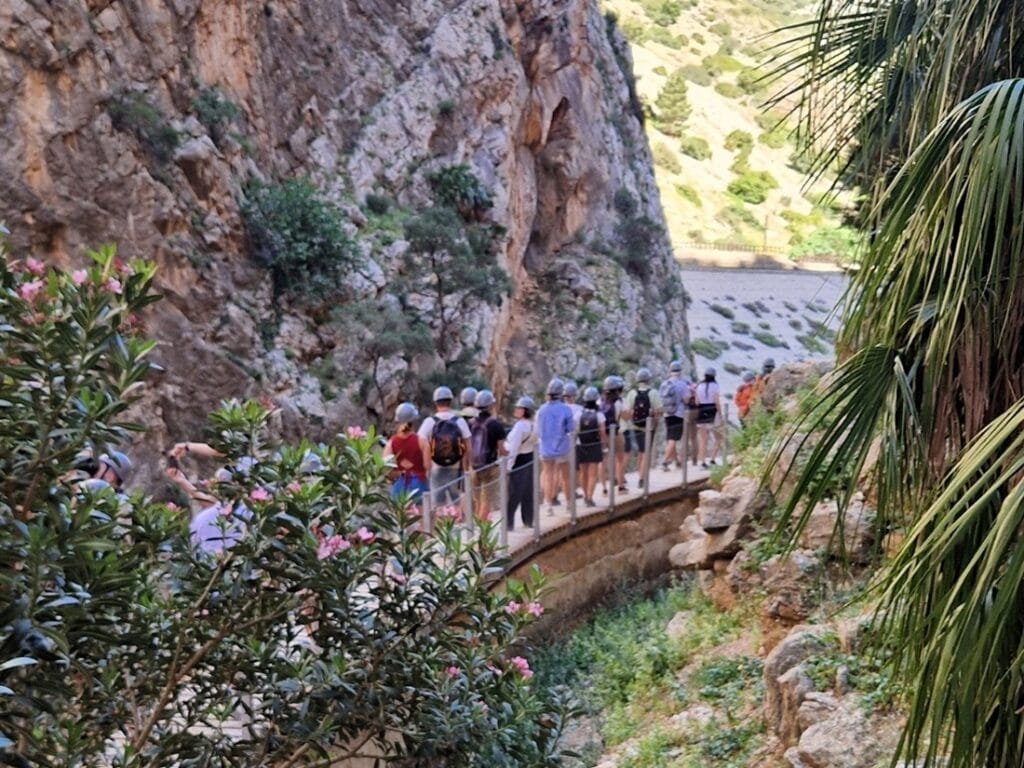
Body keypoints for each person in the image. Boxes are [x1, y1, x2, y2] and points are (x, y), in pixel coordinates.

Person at [418, 386, 472, 507]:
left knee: (438, 505)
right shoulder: (460, 421)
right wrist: (466, 468)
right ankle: (458, 525)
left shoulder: (429, 422)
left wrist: (427, 465)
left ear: (435, 403)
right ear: (450, 401)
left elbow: (421, 443)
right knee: (457, 504)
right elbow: (468, 447)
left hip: (436, 468)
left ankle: (440, 525)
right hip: (456, 468)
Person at [536, 378, 574, 513]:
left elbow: (538, 431)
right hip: (562, 446)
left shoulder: (541, 410)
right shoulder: (566, 409)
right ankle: (569, 503)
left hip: (546, 448)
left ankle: (548, 505)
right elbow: (571, 429)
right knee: (565, 476)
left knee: (548, 474)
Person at [621, 367, 662, 489]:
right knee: (645, 453)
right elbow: (658, 410)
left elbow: (627, 412)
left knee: (640, 451)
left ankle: (640, 473)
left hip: (635, 426)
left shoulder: (632, 393)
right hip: (649, 427)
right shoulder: (653, 393)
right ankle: (642, 478)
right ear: (648, 379)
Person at [468, 389, 506, 521]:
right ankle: (481, 531)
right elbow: (501, 449)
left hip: (474, 466)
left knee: (477, 499)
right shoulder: (496, 425)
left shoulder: (470, 423)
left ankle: (477, 526)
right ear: (491, 406)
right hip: (490, 467)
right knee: (486, 500)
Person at [383, 402, 427, 501]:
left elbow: (385, 467)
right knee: (420, 515)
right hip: (419, 484)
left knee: (400, 515)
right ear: (413, 421)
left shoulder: (391, 443)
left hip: (400, 484)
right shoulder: (421, 441)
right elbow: (428, 466)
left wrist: (398, 473)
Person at [504, 396, 537, 530]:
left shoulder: (519, 427)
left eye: (519, 408)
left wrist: (508, 466)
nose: (516, 410)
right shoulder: (534, 425)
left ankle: (509, 522)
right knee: (528, 492)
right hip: (530, 458)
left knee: (514, 493)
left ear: (524, 410)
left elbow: (514, 448)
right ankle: (528, 519)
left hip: (519, 460)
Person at [576, 386, 606, 507]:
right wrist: (604, 446)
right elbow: (603, 433)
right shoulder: (600, 416)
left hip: (581, 445)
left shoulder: (578, 414)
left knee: (583, 472)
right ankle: (589, 497)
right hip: (594, 445)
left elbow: (575, 430)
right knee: (592, 473)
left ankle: (584, 495)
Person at [659, 360, 691, 470]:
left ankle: (676, 461)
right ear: (680, 371)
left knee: (670, 437)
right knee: (673, 438)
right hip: (678, 413)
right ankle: (664, 461)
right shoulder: (683, 384)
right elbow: (686, 400)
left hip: (667, 413)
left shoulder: (664, 384)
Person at [600, 375, 625, 493]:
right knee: (620, 458)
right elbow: (621, 416)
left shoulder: (599, 401)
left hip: (602, 434)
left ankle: (604, 488)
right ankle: (620, 485)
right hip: (615, 433)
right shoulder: (618, 402)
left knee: (603, 460)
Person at [695, 367, 722, 469]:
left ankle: (702, 462)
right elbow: (717, 402)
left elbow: (697, 402)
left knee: (703, 440)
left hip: (701, 412)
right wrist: (721, 414)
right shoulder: (715, 386)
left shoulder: (699, 386)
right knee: (719, 437)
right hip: (712, 413)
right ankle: (712, 459)